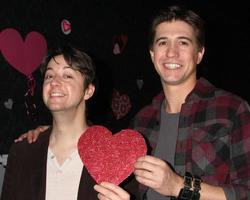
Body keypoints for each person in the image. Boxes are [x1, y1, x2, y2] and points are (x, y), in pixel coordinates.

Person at [14, 5, 250, 200]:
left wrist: (179, 185)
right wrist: (53, 133)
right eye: (163, 42)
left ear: (199, 53)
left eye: (183, 43)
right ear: (151, 54)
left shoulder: (232, 110)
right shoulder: (141, 122)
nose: (171, 52)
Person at [1, 45, 139, 200]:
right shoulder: (22, 152)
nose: (54, 82)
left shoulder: (115, 156)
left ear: (88, 91)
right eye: (49, 76)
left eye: (67, 76)